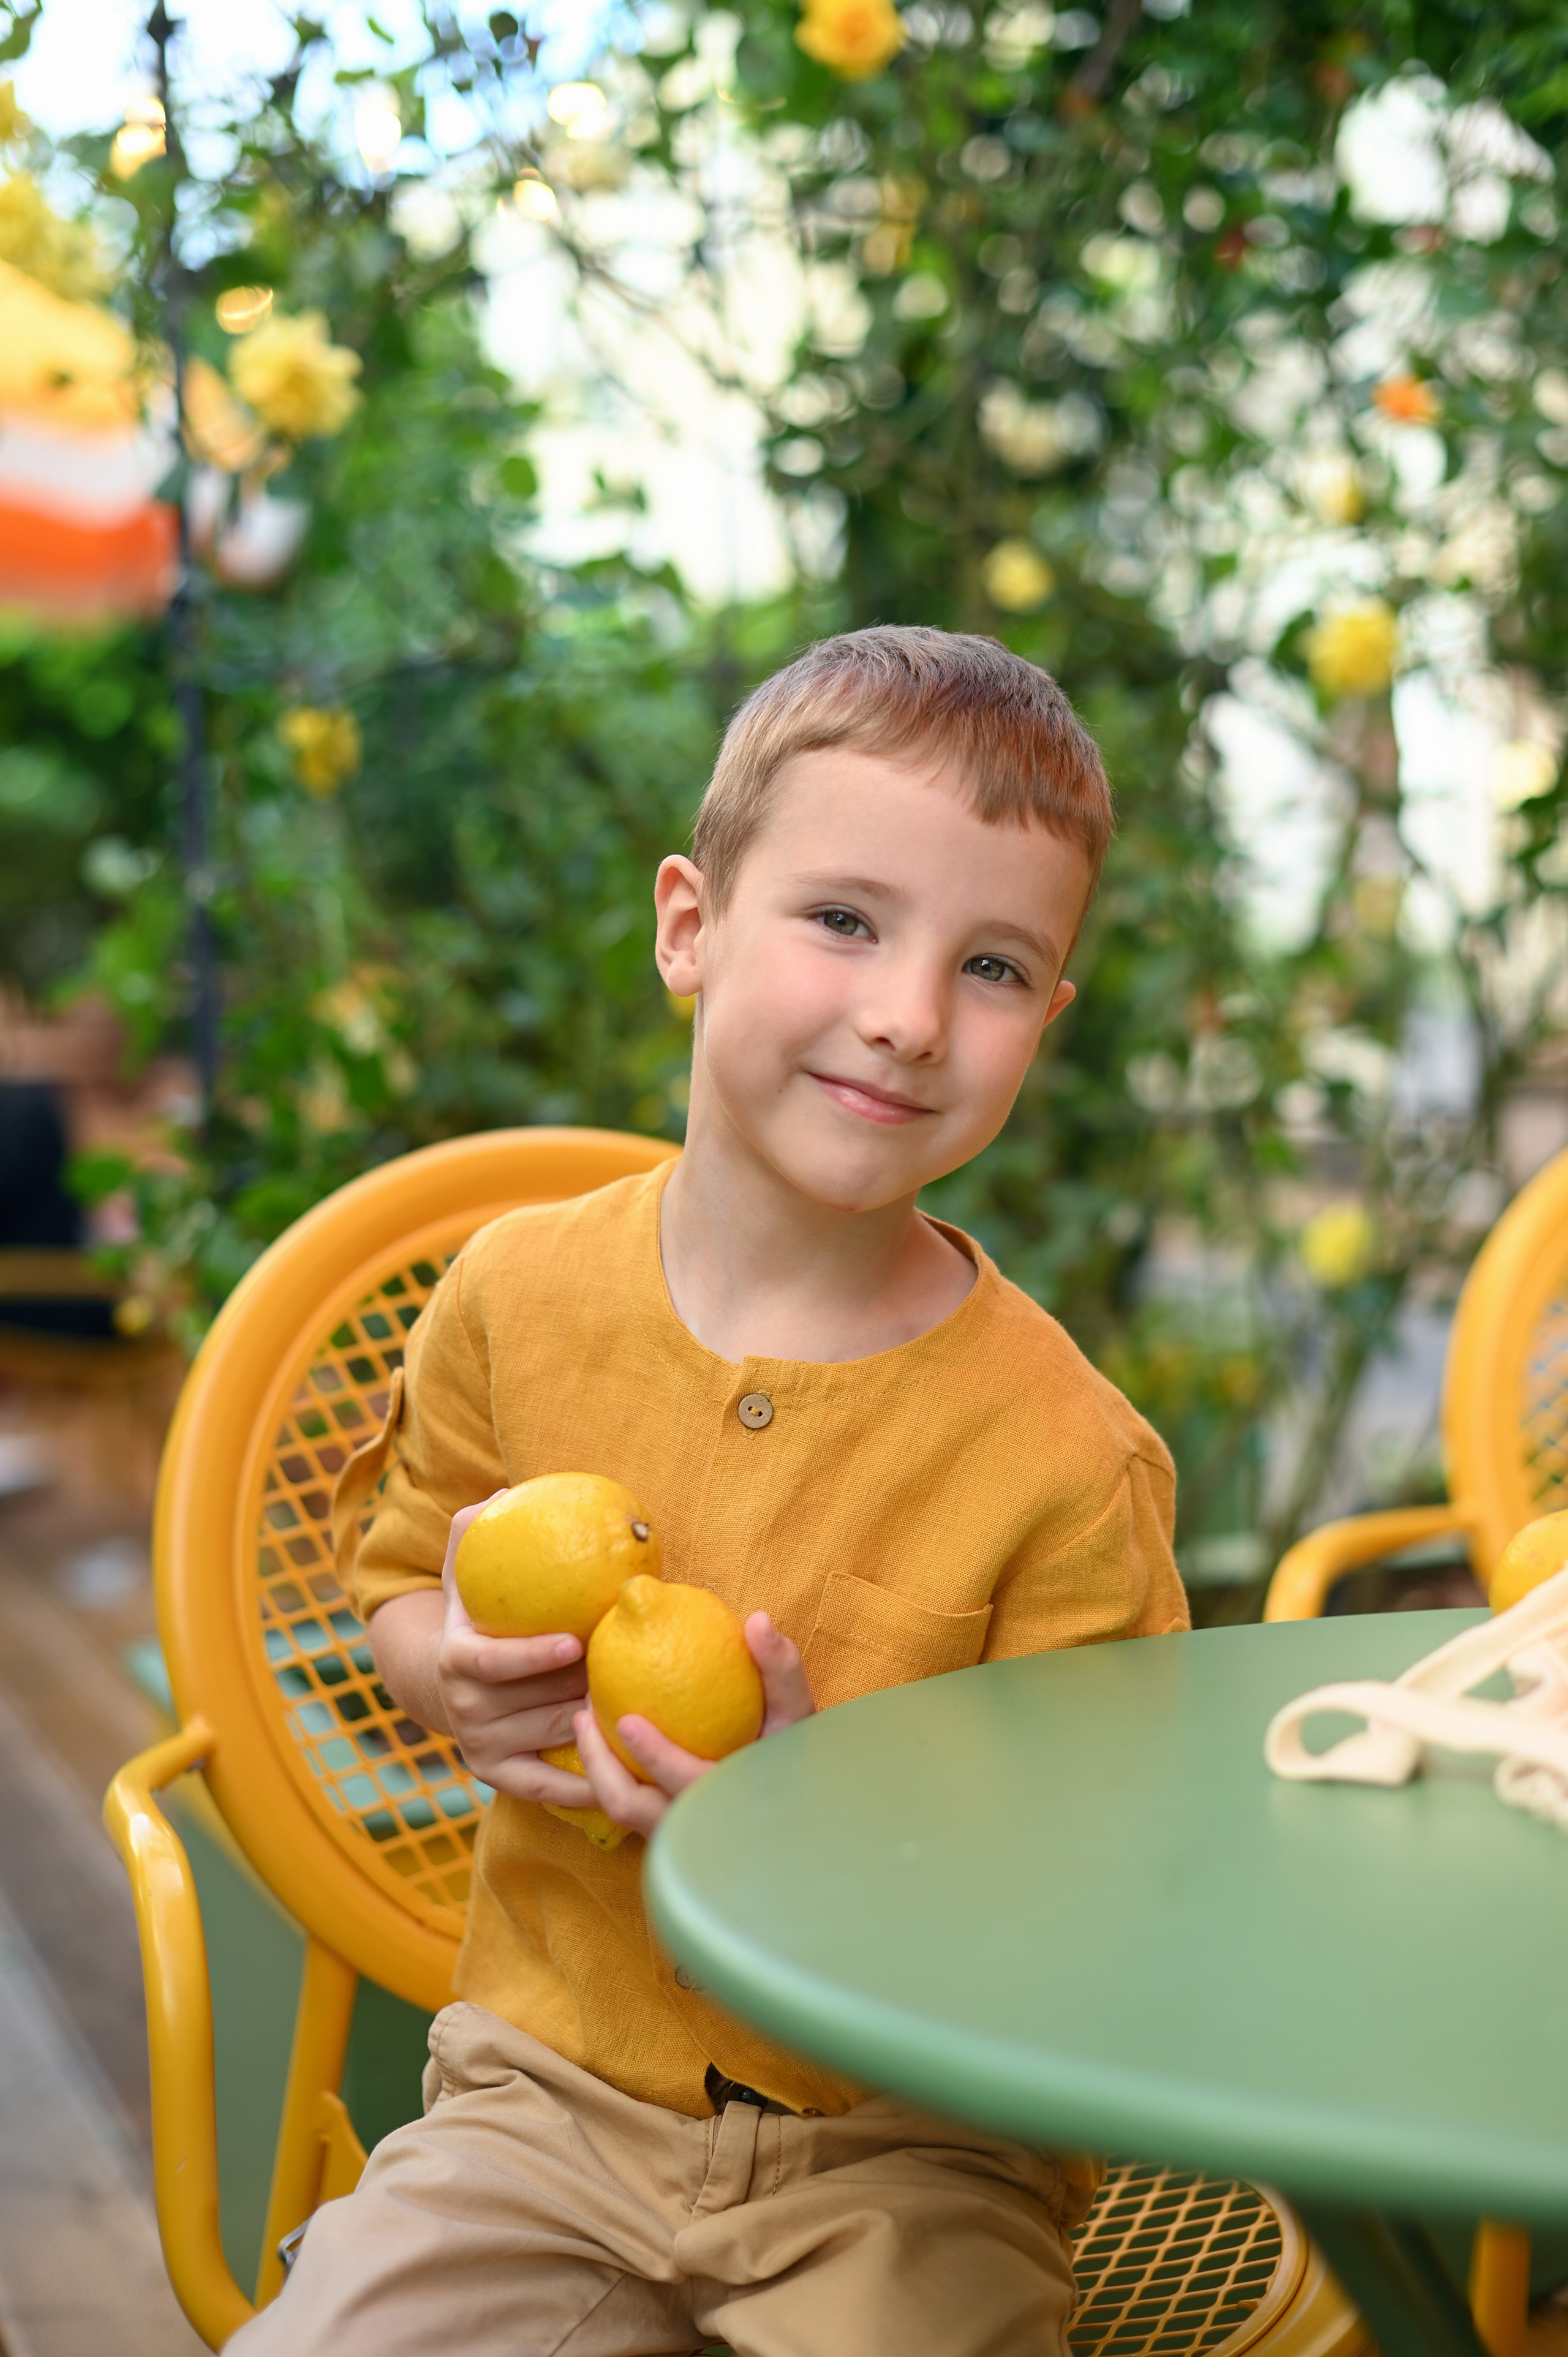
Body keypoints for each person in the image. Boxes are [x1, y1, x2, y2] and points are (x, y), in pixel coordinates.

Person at [233, 626, 1187, 2357]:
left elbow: (1098, 1901)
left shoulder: (1067, 1460)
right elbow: (398, 1574)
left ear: (1047, 1016)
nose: (906, 1017)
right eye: (844, 920)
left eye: (991, 967)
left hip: (915, 2157)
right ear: (692, 926)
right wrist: (440, 1667)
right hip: (541, 2108)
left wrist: (836, 1845)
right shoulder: (515, 1303)